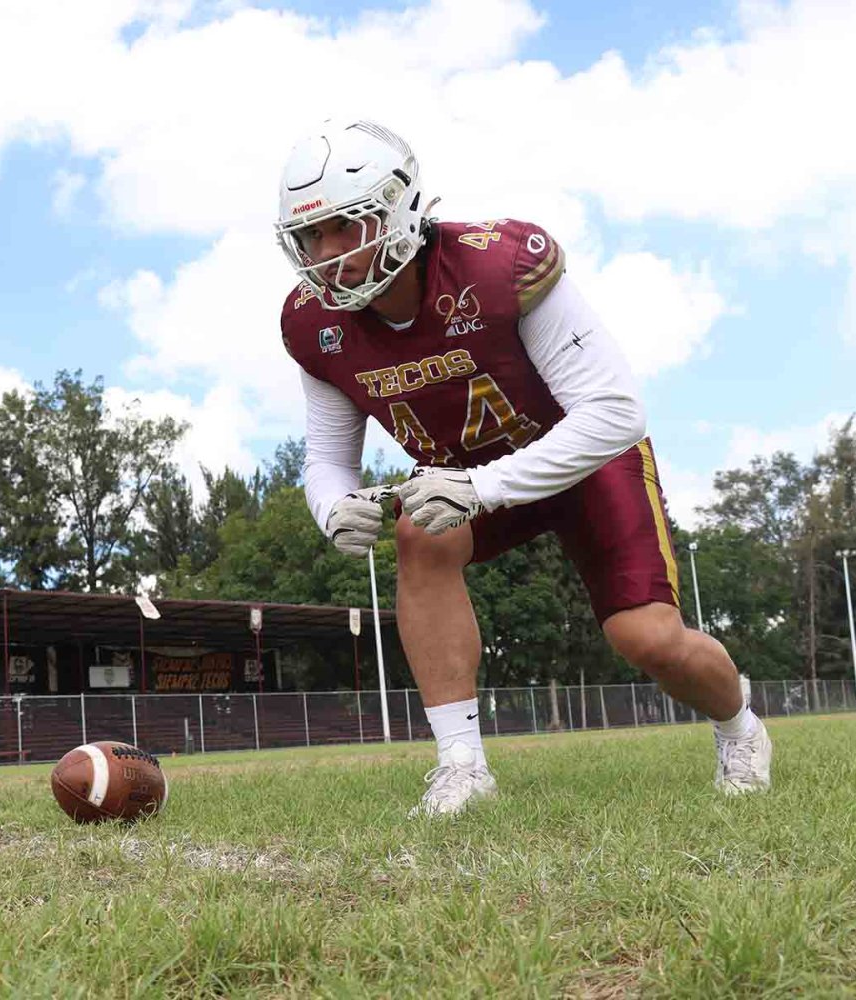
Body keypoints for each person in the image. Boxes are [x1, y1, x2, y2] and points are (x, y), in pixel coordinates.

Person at [274, 119, 772, 817]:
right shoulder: (313, 324)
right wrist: (333, 506)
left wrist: (483, 486)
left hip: (581, 461)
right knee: (420, 533)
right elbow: (328, 457)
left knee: (648, 640)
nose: (329, 255)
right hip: (461, 486)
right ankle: (462, 765)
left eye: (344, 227)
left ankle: (740, 727)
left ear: (398, 210)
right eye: (312, 236)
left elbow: (615, 413)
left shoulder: (495, 266)